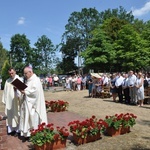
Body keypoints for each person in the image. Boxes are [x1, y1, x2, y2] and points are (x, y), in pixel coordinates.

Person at [19, 66, 48, 138]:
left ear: (30, 72)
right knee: (27, 119)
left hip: (33, 105)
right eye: (24, 74)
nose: (25, 75)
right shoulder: (28, 80)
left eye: (26, 73)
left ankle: (33, 134)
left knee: (33, 120)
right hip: (27, 103)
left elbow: (35, 92)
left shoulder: (36, 80)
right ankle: (27, 133)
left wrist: (25, 91)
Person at [2, 67, 22, 136]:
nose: (11, 75)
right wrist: (5, 100)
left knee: (17, 115)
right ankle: (11, 130)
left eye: (12, 73)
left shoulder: (18, 80)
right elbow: (5, 92)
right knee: (10, 115)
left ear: (15, 72)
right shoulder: (7, 81)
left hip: (16, 102)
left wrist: (17, 91)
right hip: (9, 102)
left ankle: (17, 130)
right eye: (10, 73)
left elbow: (22, 92)